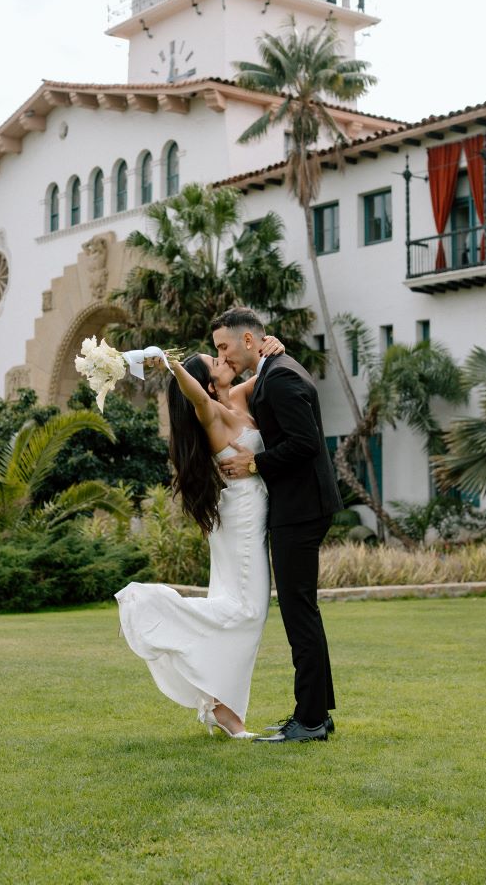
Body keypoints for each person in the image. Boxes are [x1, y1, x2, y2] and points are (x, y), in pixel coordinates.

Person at [115, 337, 283, 739]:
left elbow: (267, 372)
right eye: (216, 360)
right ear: (207, 384)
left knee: (241, 610)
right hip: (241, 522)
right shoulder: (213, 415)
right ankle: (149, 604)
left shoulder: (235, 398)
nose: (224, 358)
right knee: (245, 612)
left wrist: (271, 344)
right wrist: (169, 364)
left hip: (242, 517)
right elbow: (193, 395)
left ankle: (220, 706)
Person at [212, 307, 341, 743]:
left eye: (223, 346)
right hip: (301, 507)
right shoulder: (275, 369)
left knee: (299, 613)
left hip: (301, 509)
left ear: (249, 341)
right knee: (303, 612)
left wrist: (256, 464)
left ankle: (309, 721)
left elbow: (305, 443)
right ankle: (314, 715)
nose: (221, 356)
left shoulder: (281, 376)